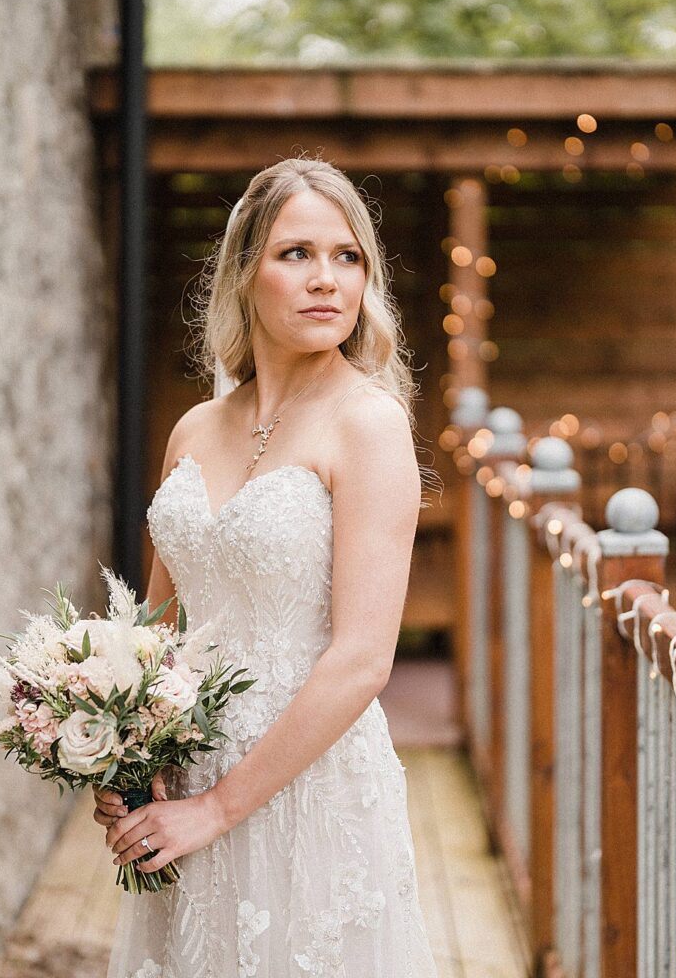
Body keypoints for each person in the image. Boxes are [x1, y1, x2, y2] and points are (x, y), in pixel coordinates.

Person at [93, 157, 440, 977]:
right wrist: (126, 765)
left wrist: (219, 808)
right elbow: (157, 636)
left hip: (306, 790)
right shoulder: (195, 429)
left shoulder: (368, 424)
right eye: (296, 254)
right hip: (188, 787)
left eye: (347, 257)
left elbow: (361, 660)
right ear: (246, 273)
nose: (326, 280)